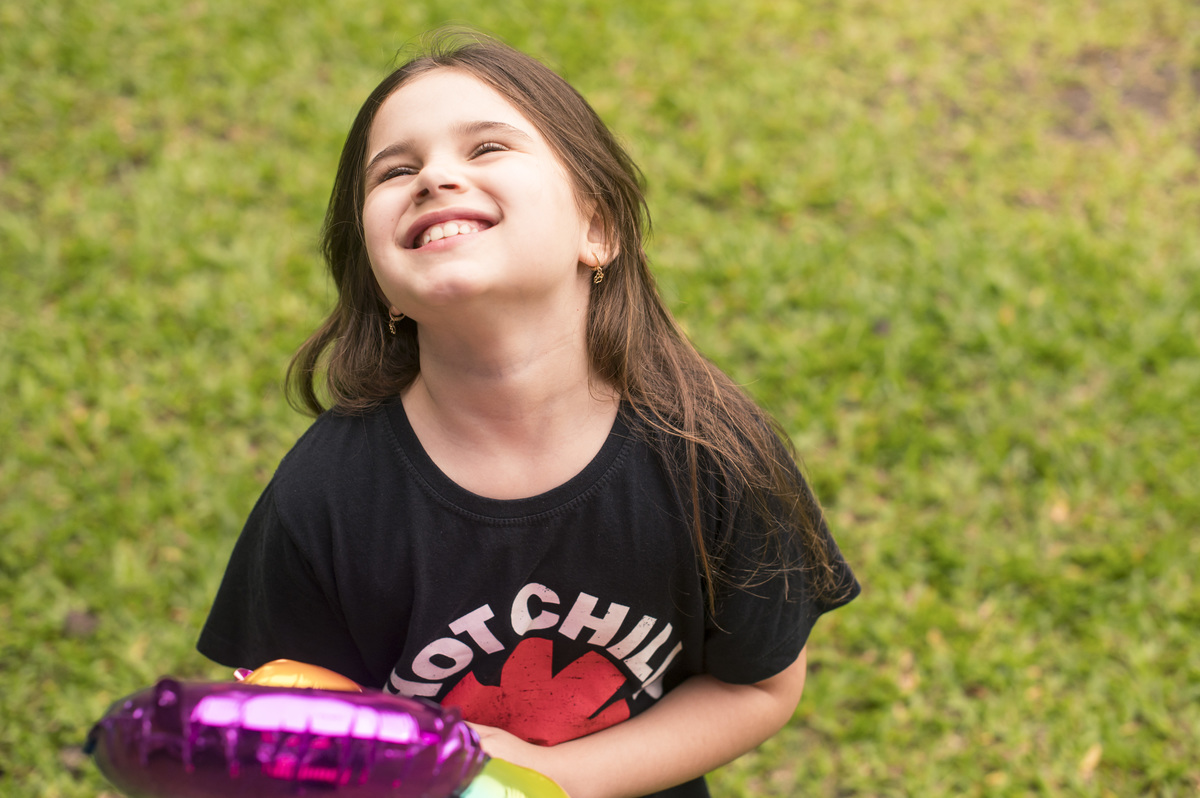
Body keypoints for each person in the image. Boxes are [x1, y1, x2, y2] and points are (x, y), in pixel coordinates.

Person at [198, 30, 859, 798]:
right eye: (397, 169)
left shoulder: (712, 458)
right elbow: (285, 727)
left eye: (486, 149)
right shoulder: (325, 498)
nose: (435, 176)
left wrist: (557, 777)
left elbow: (758, 688)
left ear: (597, 228)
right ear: (378, 276)